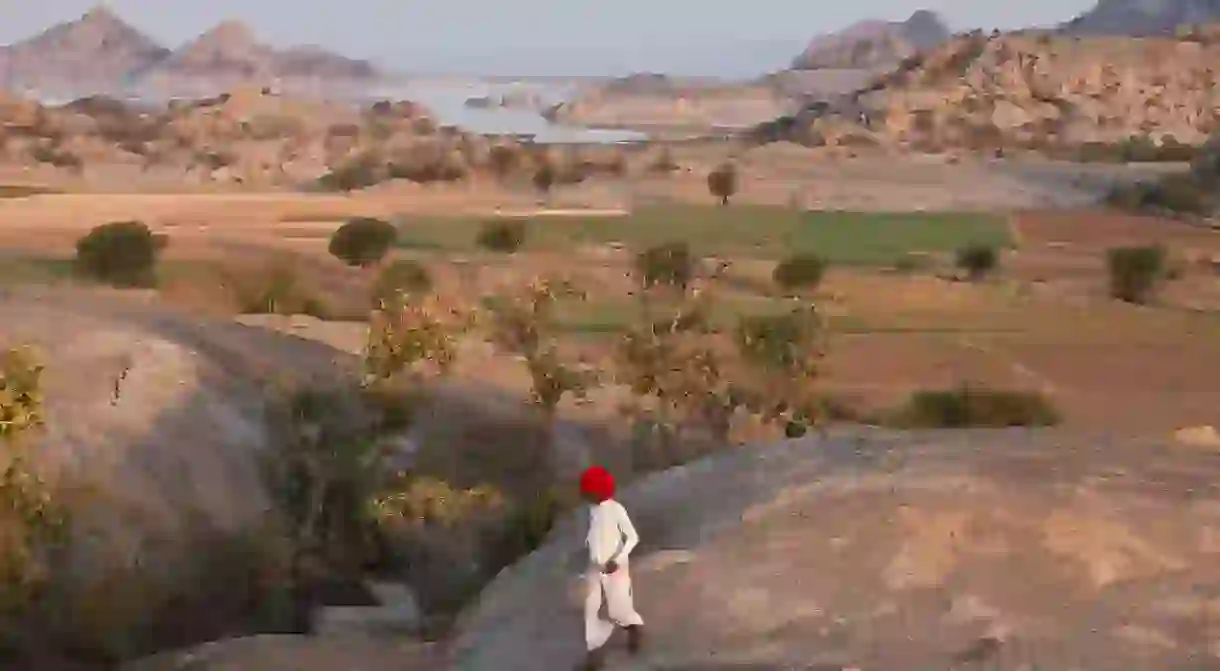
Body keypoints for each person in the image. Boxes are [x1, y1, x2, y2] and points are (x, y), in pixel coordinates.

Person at [578, 465, 644, 670]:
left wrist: (618, 558)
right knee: (591, 609)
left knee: (618, 609)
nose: (585, 495)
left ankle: (634, 628)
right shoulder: (591, 511)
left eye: (588, 491)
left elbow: (633, 537)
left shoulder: (615, 509)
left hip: (615, 567)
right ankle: (594, 656)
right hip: (595, 567)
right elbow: (594, 534)